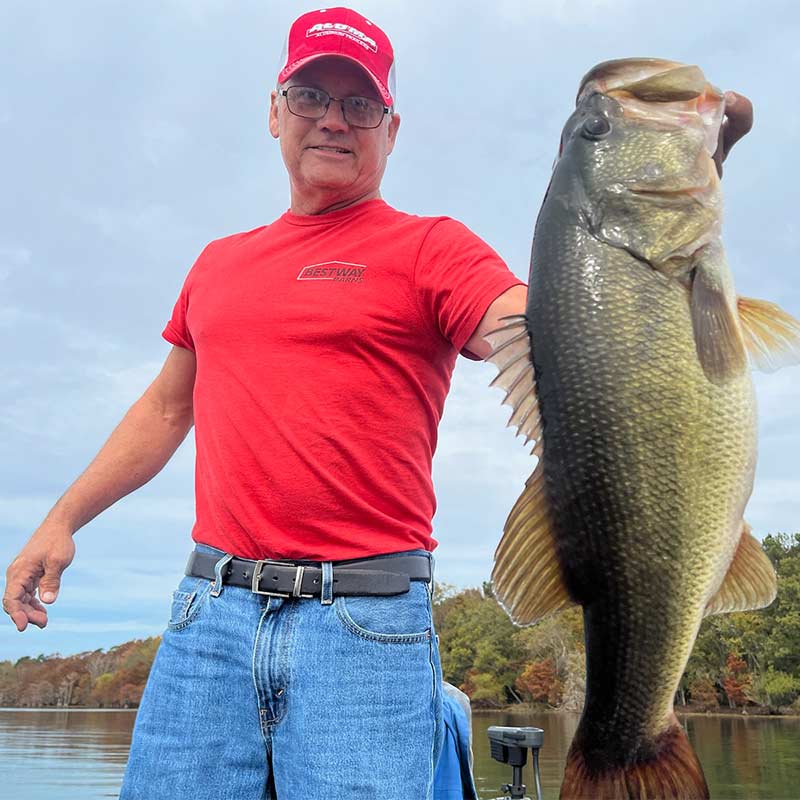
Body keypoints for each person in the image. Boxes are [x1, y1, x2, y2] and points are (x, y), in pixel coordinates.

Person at [3, 7, 754, 799]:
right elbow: (164, 410)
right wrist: (61, 519)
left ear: (390, 130)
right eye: (310, 96)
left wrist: (666, 201)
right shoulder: (217, 264)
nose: (333, 119)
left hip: (364, 627)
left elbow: (570, 337)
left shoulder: (434, 250)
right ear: (275, 112)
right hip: (208, 621)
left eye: (360, 104)